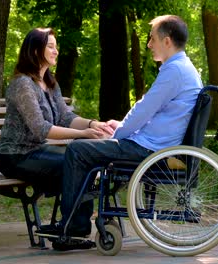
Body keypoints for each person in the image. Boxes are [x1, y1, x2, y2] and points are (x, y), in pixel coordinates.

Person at [37, 15, 203, 245]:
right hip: (154, 144)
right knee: (87, 149)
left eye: (152, 38)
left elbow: (145, 109)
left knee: (78, 150)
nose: (148, 44)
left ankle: (74, 225)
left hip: (149, 150)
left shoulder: (174, 71)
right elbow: (152, 113)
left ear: (167, 41)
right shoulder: (183, 68)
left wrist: (118, 133)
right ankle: (77, 222)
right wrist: (121, 127)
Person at [0, 28, 113, 199]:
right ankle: (73, 224)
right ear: (35, 51)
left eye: (55, 47)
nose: (56, 51)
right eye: (50, 46)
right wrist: (82, 133)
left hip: (38, 150)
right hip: (15, 157)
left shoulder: (50, 83)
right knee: (78, 165)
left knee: (84, 158)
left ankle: (75, 222)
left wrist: (92, 124)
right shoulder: (23, 84)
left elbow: (66, 117)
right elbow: (41, 129)